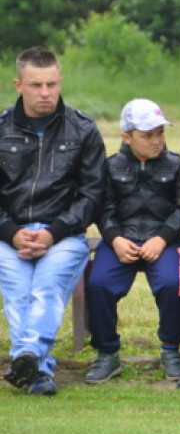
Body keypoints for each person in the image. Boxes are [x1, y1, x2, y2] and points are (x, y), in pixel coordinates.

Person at [0, 47, 105, 396]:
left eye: (51, 84)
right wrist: (13, 233)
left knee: (45, 289)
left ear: (60, 82)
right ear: (19, 85)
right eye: (36, 85)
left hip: (65, 234)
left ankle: (27, 356)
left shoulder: (84, 129)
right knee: (19, 294)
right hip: (7, 234)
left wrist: (53, 232)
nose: (45, 93)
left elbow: (93, 195)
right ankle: (37, 369)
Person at [84, 99, 180, 384]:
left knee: (173, 284)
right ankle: (106, 353)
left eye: (160, 133)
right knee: (99, 284)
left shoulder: (179, 165)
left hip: (165, 242)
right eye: (147, 135)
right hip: (121, 240)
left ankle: (171, 349)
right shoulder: (109, 167)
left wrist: (163, 238)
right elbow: (102, 209)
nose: (156, 141)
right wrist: (115, 239)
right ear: (126, 137)